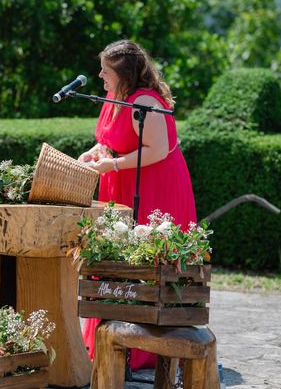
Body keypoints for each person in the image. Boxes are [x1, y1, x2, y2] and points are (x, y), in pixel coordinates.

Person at [78, 39, 197, 370]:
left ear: (124, 72)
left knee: (143, 257)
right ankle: (112, 335)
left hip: (155, 186)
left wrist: (111, 165)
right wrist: (95, 152)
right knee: (117, 256)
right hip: (121, 182)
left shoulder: (144, 101)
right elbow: (108, 139)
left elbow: (156, 151)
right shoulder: (114, 96)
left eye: (106, 70)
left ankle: (146, 345)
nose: (100, 74)